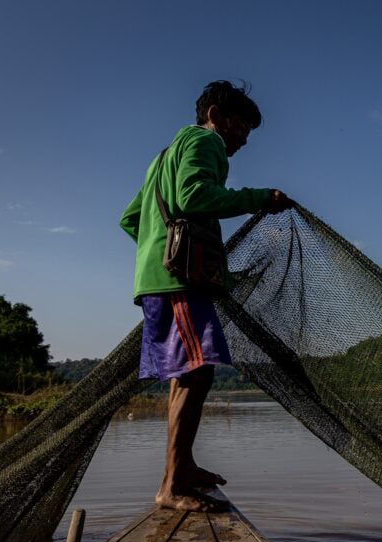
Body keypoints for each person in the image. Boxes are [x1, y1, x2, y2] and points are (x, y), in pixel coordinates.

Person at [120, 81, 293, 512]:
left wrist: (154, 250)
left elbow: (130, 219)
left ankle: (184, 468)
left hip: (161, 279)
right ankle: (171, 486)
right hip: (178, 283)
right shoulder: (204, 141)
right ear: (215, 115)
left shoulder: (163, 156)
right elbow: (193, 197)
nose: (243, 139)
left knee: (189, 374)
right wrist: (259, 198)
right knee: (197, 371)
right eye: (240, 126)